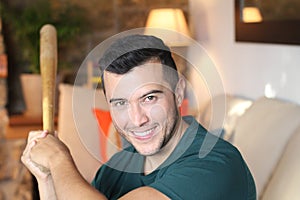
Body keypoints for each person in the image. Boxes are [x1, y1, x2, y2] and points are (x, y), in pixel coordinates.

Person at [22, 34, 256, 200]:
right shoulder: (118, 167)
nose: (137, 119)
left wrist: (59, 159)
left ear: (179, 92)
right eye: (121, 103)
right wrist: (47, 178)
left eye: (149, 98)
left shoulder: (215, 164)